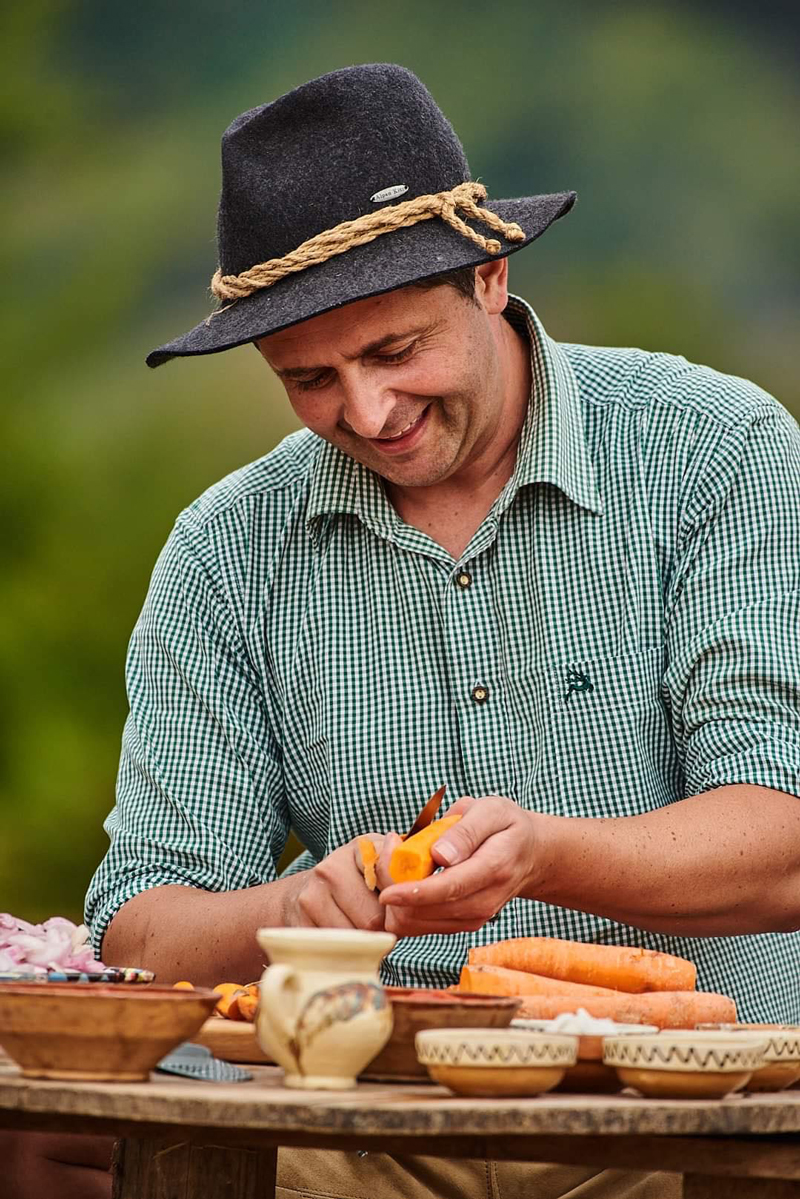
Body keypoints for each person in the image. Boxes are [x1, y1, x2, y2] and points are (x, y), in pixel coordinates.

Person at [10, 62, 799, 1199]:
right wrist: (292, 909)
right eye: (309, 379)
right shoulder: (226, 547)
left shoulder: (714, 451)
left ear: (490, 274)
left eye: (392, 352)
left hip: (684, 1115)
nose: (368, 413)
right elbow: (139, 931)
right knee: (53, 1148)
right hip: (359, 1117)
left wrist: (545, 854)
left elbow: (782, 841)